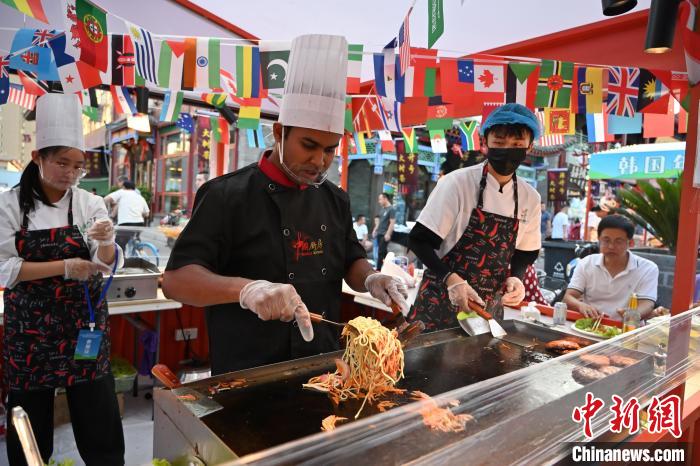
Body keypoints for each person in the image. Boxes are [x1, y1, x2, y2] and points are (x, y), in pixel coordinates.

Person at [162, 34, 408, 375]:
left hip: (323, 366)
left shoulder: (335, 199)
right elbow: (176, 280)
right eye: (308, 145)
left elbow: (351, 259)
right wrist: (247, 290)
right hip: (247, 371)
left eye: (330, 149)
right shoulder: (226, 195)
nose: (320, 161)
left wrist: (371, 277)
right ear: (279, 133)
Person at [0, 94, 125, 465]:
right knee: (30, 424)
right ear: (38, 157)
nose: (70, 174)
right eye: (61, 163)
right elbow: (5, 267)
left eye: (78, 166)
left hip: (82, 324)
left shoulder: (88, 203)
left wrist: (106, 242)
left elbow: (103, 265)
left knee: (98, 419)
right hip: (29, 330)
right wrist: (65, 266)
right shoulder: (9, 206)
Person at [408, 103, 542, 330]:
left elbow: (526, 251)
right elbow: (419, 240)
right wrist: (450, 279)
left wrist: (516, 277)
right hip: (438, 305)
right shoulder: (456, 184)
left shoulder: (531, 198)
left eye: (517, 144)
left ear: (529, 147)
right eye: (499, 143)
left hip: (487, 316)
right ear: (485, 143)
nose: (507, 150)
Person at [563, 215, 659, 321]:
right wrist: (581, 306)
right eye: (606, 240)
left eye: (618, 241)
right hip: (589, 325)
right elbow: (568, 297)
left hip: (627, 329)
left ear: (630, 243)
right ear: (599, 239)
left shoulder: (648, 268)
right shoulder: (586, 263)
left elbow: (647, 303)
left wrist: (633, 315)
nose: (611, 246)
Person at [105, 180, 150, 251]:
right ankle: (139, 250)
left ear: (123, 187)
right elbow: (147, 214)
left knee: (119, 244)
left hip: (126, 224)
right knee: (133, 239)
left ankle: (122, 261)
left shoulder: (122, 192)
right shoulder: (140, 197)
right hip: (140, 223)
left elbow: (106, 199)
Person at [373, 193, 396, 270]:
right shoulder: (383, 209)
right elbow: (379, 221)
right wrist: (375, 229)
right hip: (379, 233)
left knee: (380, 252)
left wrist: (388, 234)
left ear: (385, 198)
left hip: (385, 234)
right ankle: (391, 267)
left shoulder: (391, 209)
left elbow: (392, 222)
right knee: (384, 252)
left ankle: (378, 270)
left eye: (380, 199)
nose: (379, 201)